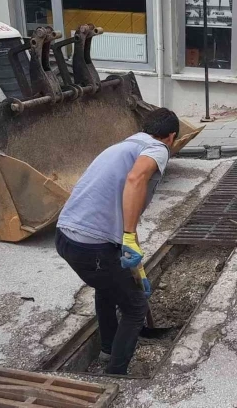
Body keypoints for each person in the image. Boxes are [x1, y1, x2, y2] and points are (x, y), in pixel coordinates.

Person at [54, 108, 179, 374]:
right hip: (92, 246)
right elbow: (135, 179)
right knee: (135, 307)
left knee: (107, 287)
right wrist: (130, 237)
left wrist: (129, 252)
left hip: (65, 236)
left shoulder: (123, 146)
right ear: (171, 137)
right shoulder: (158, 148)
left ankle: (108, 348)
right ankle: (116, 373)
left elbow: (122, 200)